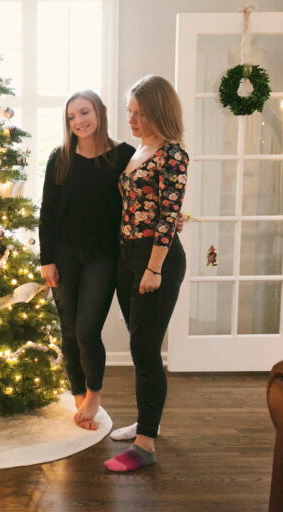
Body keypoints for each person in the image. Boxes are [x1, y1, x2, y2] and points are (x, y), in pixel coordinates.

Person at [103, 75, 188, 472]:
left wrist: (154, 267)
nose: (132, 120)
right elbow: (145, 205)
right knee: (141, 347)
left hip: (157, 261)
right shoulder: (139, 150)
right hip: (128, 257)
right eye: (129, 112)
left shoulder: (172, 154)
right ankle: (145, 421)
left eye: (140, 114)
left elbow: (168, 215)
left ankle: (146, 445)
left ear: (159, 113)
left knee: (144, 351)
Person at [39, 90, 135, 431]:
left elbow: (144, 200)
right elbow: (47, 213)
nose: (78, 120)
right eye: (71, 117)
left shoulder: (124, 155)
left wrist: (174, 218)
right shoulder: (60, 157)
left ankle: (95, 392)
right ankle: (79, 395)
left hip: (103, 256)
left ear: (100, 112)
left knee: (87, 330)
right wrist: (46, 260)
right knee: (68, 331)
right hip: (63, 256)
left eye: (84, 112)